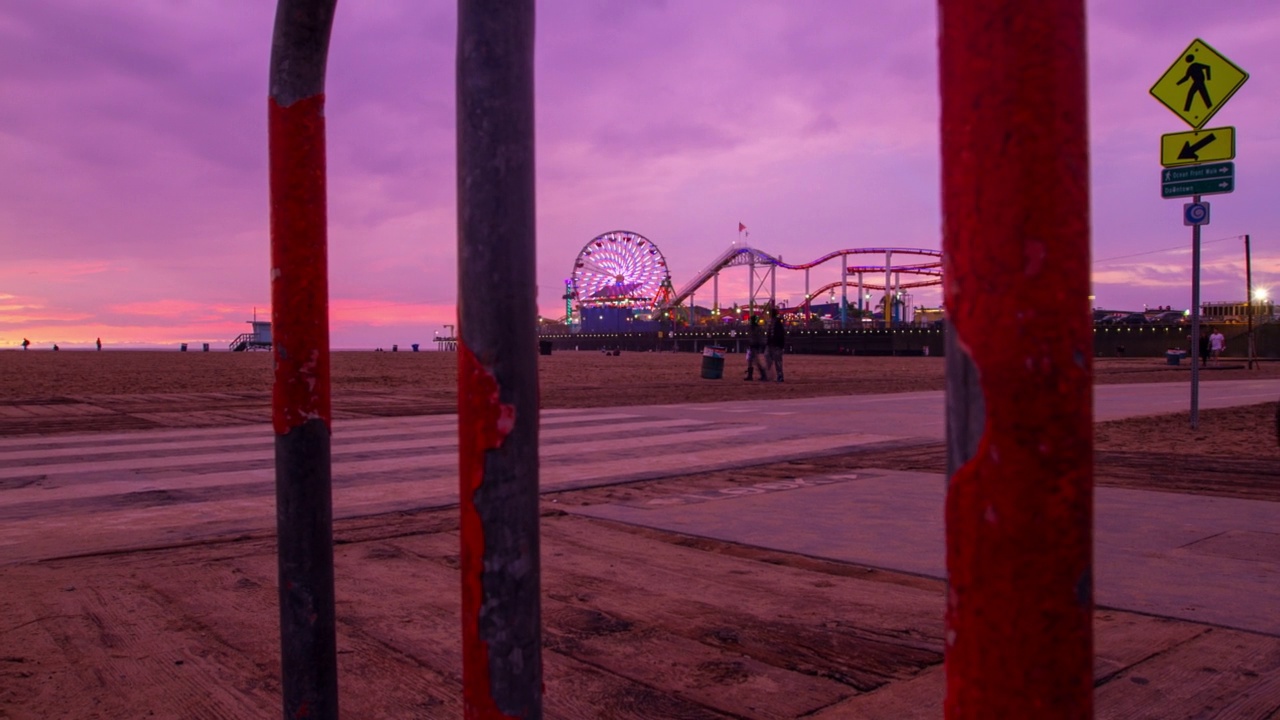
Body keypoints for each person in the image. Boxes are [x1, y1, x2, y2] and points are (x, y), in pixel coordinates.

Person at [765, 306, 786, 383]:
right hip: (772, 344)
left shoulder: (777, 323)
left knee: (777, 361)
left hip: (776, 345)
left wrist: (780, 345)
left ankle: (779, 376)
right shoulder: (773, 323)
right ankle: (770, 375)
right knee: (770, 359)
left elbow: (780, 335)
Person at [744, 314, 768, 381]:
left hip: (754, 345)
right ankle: (751, 375)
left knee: (756, 361)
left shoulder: (755, 328)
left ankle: (763, 375)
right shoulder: (754, 328)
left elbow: (755, 338)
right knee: (750, 361)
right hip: (752, 345)